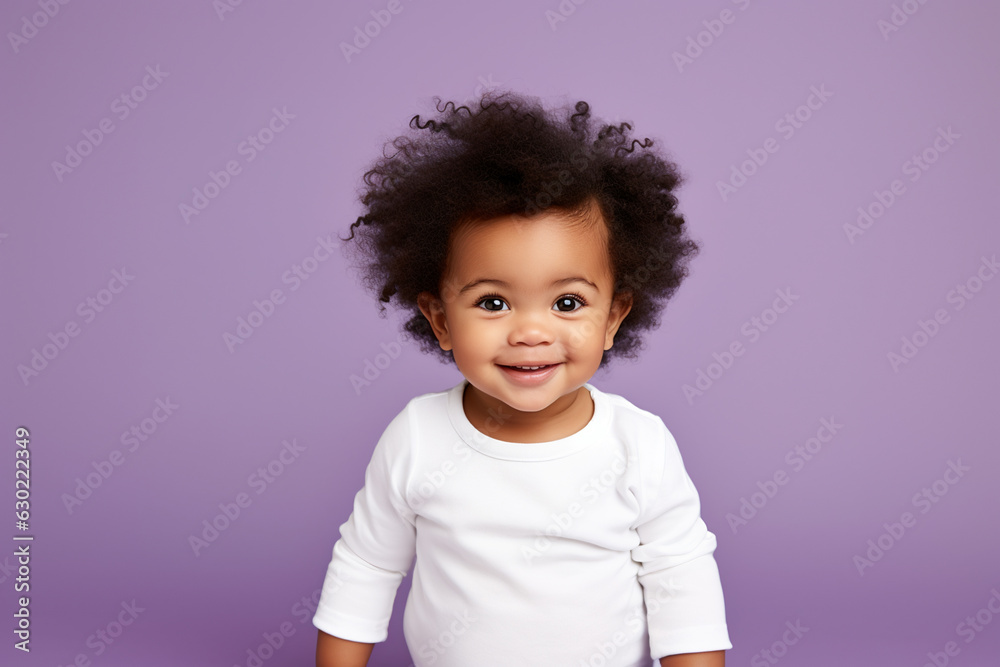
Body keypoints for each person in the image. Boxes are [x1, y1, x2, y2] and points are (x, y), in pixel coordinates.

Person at [313, 89, 732, 667]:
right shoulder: (417, 436)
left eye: (566, 303)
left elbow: (681, 579)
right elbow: (367, 565)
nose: (530, 333)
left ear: (613, 317)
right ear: (440, 320)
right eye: (492, 303)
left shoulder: (638, 446)